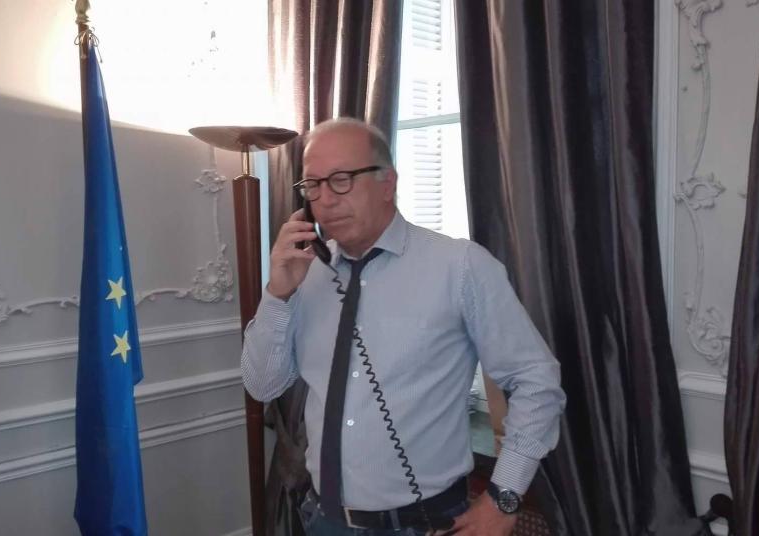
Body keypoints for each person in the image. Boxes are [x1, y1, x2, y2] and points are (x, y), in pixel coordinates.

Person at [241, 118, 565, 536]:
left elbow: (537, 381)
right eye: (313, 185)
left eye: (341, 180)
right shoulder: (305, 272)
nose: (325, 200)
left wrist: (505, 496)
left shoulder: (460, 266)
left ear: (387, 183)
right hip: (323, 519)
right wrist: (277, 293)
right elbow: (262, 386)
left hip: (424, 523)